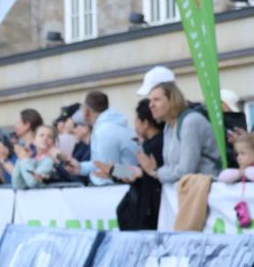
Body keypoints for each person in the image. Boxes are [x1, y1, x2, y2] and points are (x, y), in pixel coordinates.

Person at [140, 82, 221, 184]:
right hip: (187, 190)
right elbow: (170, 167)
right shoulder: (168, 127)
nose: (151, 105)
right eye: (150, 101)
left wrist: (156, 173)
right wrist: (116, 170)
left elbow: (185, 170)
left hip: (205, 190)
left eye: (156, 99)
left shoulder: (190, 122)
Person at [114, 98, 166, 230]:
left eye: (137, 121)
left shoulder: (155, 146)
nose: (135, 126)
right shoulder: (156, 143)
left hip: (150, 214)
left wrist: (112, 170)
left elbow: (139, 173)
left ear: (145, 123)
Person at [72, 91, 139, 186]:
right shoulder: (117, 125)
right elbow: (104, 165)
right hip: (129, 186)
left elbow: (105, 174)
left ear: (86, 111)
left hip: (120, 192)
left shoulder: (104, 131)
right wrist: (81, 168)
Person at [12, 124, 61, 189]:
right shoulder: (33, 160)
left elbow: (33, 182)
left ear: (54, 143)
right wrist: (21, 159)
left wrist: (24, 159)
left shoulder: (51, 160)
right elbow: (17, 185)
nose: (45, 138)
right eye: (41, 135)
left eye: (50, 137)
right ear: (34, 141)